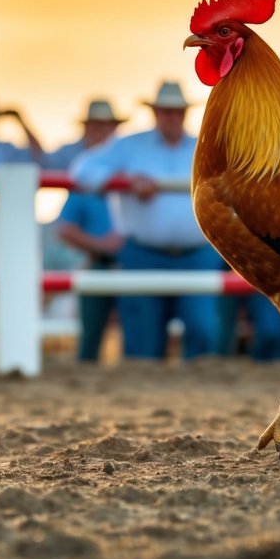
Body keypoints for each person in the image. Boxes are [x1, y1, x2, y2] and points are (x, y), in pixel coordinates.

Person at [71, 81, 224, 360]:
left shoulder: (206, 145)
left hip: (196, 254)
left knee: (201, 330)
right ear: (156, 113)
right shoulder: (130, 145)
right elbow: (83, 168)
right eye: (166, 111)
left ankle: (195, 388)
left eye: (176, 111)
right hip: (145, 253)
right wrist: (123, 182)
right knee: (144, 337)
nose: (172, 117)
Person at [53, 100, 126, 361]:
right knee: (95, 337)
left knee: (133, 334)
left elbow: (63, 229)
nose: (101, 133)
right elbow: (64, 229)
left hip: (124, 262)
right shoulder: (88, 177)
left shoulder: (90, 173)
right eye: (96, 127)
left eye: (105, 127)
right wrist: (101, 246)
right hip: (103, 262)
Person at [44, 99, 127, 171]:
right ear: (86, 127)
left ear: (114, 127)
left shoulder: (127, 152)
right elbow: (42, 161)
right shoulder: (68, 152)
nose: (99, 130)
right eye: (95, 125)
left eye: (105, 124)